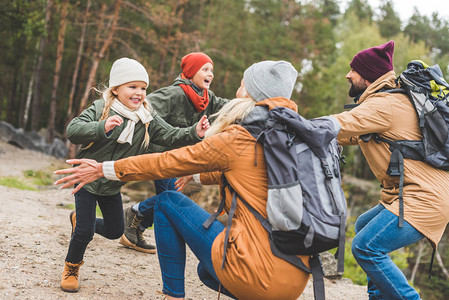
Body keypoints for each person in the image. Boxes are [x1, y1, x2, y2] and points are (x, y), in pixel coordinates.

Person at [54, 61, 311, 300]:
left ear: (253, 92)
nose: (236, 90)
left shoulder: (238, 135)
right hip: (296, 277)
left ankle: (172, 293)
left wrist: (105, 169)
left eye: (242, 84)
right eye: (133, 86)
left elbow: (169, 157)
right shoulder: (292, 134)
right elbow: (243, 171)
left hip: (254, 272)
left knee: (157, 206)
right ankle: (76, 260)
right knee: (205, 272)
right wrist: (197, 175)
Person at [60, 57, 210, 293]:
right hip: (87, 179)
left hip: (112, 183)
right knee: (85, 232)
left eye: (143, 88)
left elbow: (170, 135)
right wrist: (102, 127)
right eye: (132, 87)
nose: (139, 93)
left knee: (114, 231)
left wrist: (195, 131)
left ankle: (79, 220)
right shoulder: (102, 109)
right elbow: (73, 130)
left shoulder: (147, 118)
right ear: (116, 89)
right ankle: (72, 266)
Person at [329, 40, 449, 299]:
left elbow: (341, 123)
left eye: (354, 69)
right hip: (419, 194)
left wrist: (291, 123)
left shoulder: (385, 105)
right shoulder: (384, 103)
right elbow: (350, 133)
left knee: (366, 247)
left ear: (368, 75)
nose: (348, 74)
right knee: (364, 225)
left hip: (424, 199)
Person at [120, 52, 229, 254]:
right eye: (205, 69)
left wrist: (251, 104)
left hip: (178, 158)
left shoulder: (207, 97)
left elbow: (227, 107)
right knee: (171, 198)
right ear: (190, 72)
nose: (210, 74)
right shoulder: (174, 94)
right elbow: (145, 106)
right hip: (159, 154)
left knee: (170, 200)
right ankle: (135, 214)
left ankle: (134, 228)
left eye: (211, 70)